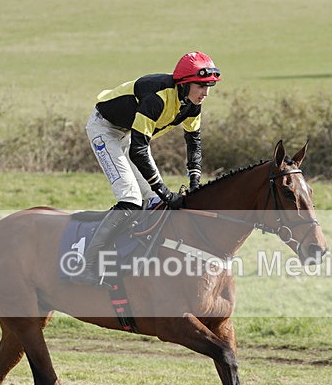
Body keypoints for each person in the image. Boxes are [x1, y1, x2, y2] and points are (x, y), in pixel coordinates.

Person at [74, 51, 221, 286]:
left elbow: (193, 142)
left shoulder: (191, 104)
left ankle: (137, 255)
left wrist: (195, 182)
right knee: (131, 198)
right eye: (201, 86)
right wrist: (165, 191)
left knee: (154, 202)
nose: (206, 93)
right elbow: (138, 151)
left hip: (129, 134)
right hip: (105, 129)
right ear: (184, 84)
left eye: (209, 87)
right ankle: (87, 265)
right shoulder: (157, 98)